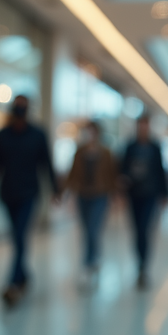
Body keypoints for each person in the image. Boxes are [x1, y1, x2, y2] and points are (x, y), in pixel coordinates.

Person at [0, 95, 59, 307]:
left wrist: (55, 190)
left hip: (29, 194)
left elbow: (47, 164)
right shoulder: (2, 136)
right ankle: (23, 276)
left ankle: (12, 284)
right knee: (17, 238)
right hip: (8, 195)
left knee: (20, 235)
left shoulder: (38, 135)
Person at [65, 120, 116, 288]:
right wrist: (66, 193)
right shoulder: (80, 152)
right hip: (82, 195)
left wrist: (115, 196)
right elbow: (73, 173)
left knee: (93, 229)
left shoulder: (106, 152)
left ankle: (87, 264)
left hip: (100, 195)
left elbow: (112, 174)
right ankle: (94, 258)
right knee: (87, 230)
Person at [121, 116, 168, 290]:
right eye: (140, 125)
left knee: (144, 229)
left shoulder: (155, 147)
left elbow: (160, 170)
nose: (143, 129)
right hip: (134, 195)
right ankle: (139, 263)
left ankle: (144, 266)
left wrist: (165, 194)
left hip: (150, 194)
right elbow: (122, 168)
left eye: (145, 126)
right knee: (137, 231)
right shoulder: (130, 147)